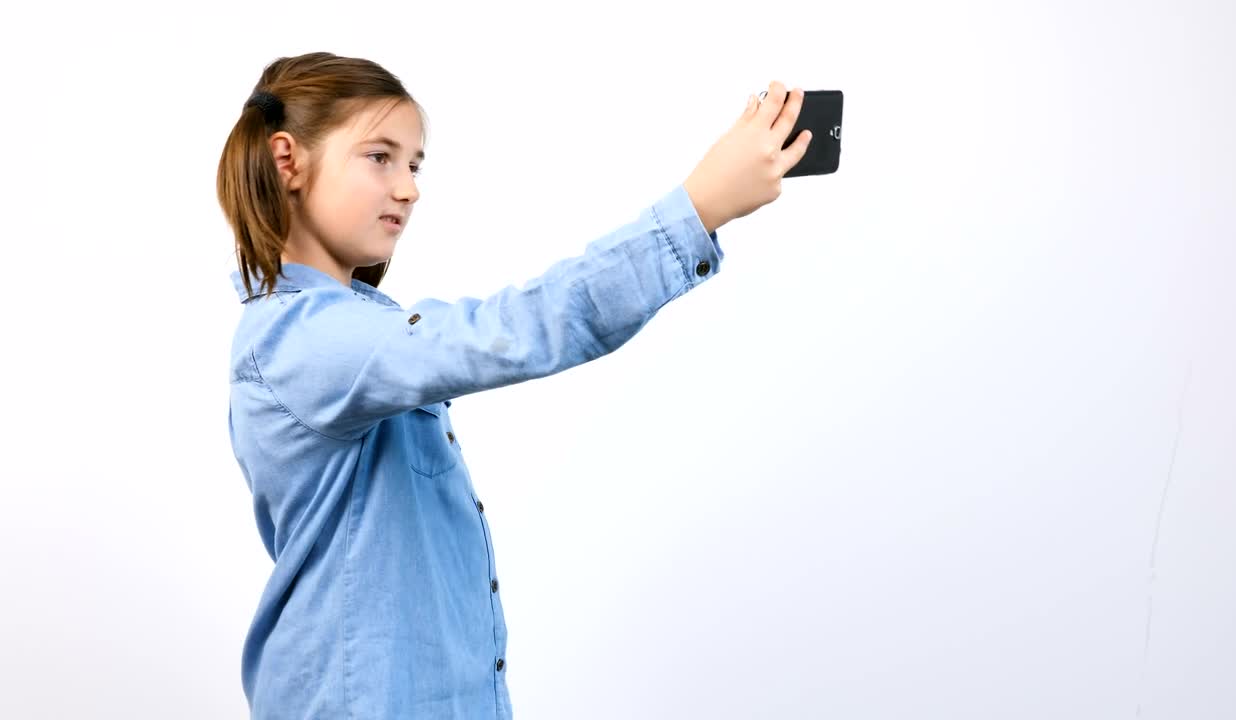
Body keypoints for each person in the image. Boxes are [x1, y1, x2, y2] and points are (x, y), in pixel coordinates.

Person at [217, 51, 813, 719]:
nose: (409, 189)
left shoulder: (353, 331)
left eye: (414, 165)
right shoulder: (303, 339)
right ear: (287, 161)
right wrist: (697, 209)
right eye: (380, 157)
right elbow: (516, 328)